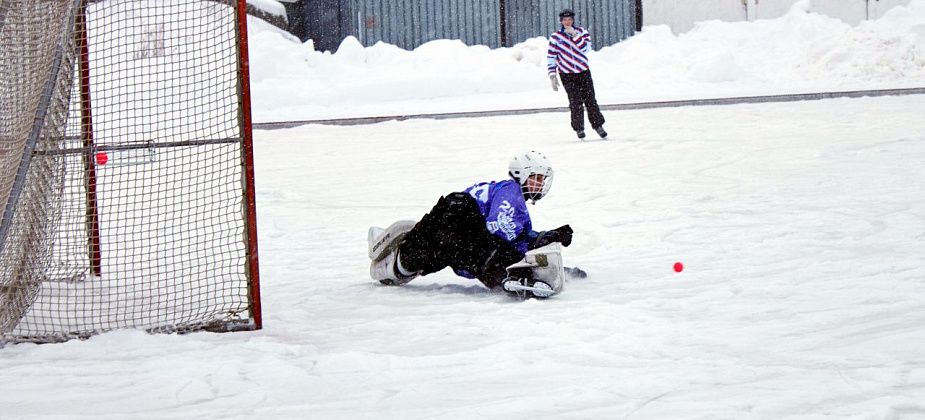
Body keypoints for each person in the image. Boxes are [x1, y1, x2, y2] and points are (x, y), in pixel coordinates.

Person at [367, 151, 575, 298]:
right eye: (536, 178)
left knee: (438, 256)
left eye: (542, 180)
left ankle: (398, 263)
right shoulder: (511, 191)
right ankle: (517, 275)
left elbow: (510, 233)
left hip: (449, 227)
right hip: (456, 219)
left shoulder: (509, 198)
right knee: (487, 255)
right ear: (521, 174)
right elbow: (501, 230)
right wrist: (532, 252)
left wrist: (546, 236)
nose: (540, 184)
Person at [547, 8, 608, 141]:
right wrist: (552, 75)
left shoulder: (582, 32)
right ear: (561, 21)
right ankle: (579, 128)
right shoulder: (556, 37)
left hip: (583, 72)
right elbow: (551, 57)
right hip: (567, 74)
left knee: (590, 100)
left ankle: (598, 126)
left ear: (573, 20)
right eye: (564, 20)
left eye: (569, 19)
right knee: (575, 102)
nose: (567, 22)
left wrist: (575, 36)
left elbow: (586, 49)